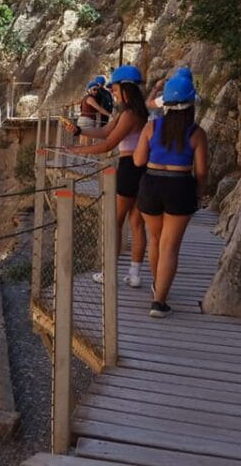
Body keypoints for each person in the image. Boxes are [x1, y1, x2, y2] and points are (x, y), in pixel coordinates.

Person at [61, 64, 149, 287]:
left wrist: (77, 150)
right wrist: (80, 132)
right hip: (143, 168)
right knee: (137, 223)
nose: (113, 93)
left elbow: (109, 143)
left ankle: (109, 272)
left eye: (116, 89)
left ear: (125, 88)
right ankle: (135, 274)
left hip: (130, 168)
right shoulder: (134, 112)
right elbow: (104, 131)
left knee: (115, 222)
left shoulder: (129, 114)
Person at [134, 74, 208, 318]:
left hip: (151, 184)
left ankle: (158, 286)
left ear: (165, 102)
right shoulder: (197, 133)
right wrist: (198, 193)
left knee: (154, 240)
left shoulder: (151, 126)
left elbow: (138, 160)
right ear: (191, 104)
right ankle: (159, 301)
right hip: (180, 186)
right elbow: (201, 171)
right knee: (170, 247)